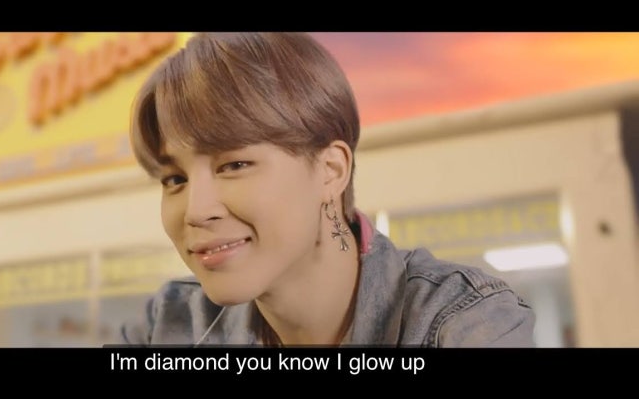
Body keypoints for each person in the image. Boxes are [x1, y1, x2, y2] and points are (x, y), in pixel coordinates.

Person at [121, 32, 536, 347]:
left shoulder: (463, 321)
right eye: (175, 179)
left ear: (331, 170)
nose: (196, 211)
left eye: (234, 165)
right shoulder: (168, 322)